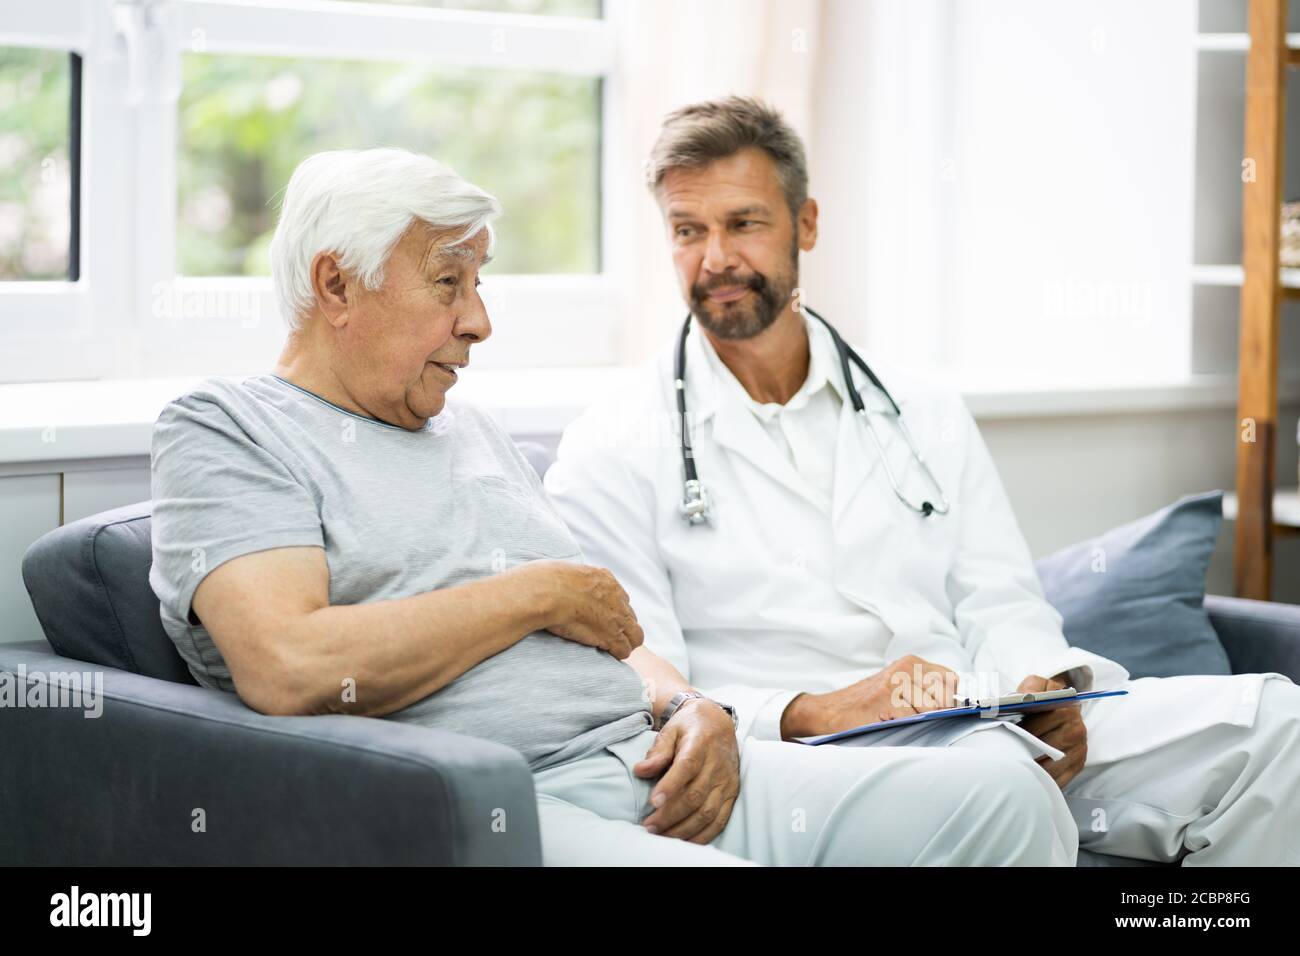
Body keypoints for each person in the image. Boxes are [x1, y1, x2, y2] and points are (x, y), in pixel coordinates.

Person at [148, 147, 1075, 866]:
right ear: (335, 284)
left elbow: (615, 639)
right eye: (448, 282)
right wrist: (536, 594)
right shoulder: (228, 428)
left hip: (655, 760)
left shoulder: (469, 431)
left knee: (1007, 802)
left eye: (481, 282)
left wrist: (698, 709)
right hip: (516, 796)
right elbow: (286, 663)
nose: (480, 320)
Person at [544, 97, 1300, 866]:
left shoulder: (921, 410)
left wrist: (1047, 685)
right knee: (996, 785)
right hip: (803, 751)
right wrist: (815, 711)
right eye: (687, 230)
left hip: (980, 714)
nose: (714, 260)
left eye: (743, 223)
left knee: (1275, 724)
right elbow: (643, 682)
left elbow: (1000, 597)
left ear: (805, 224)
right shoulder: (612, 442)